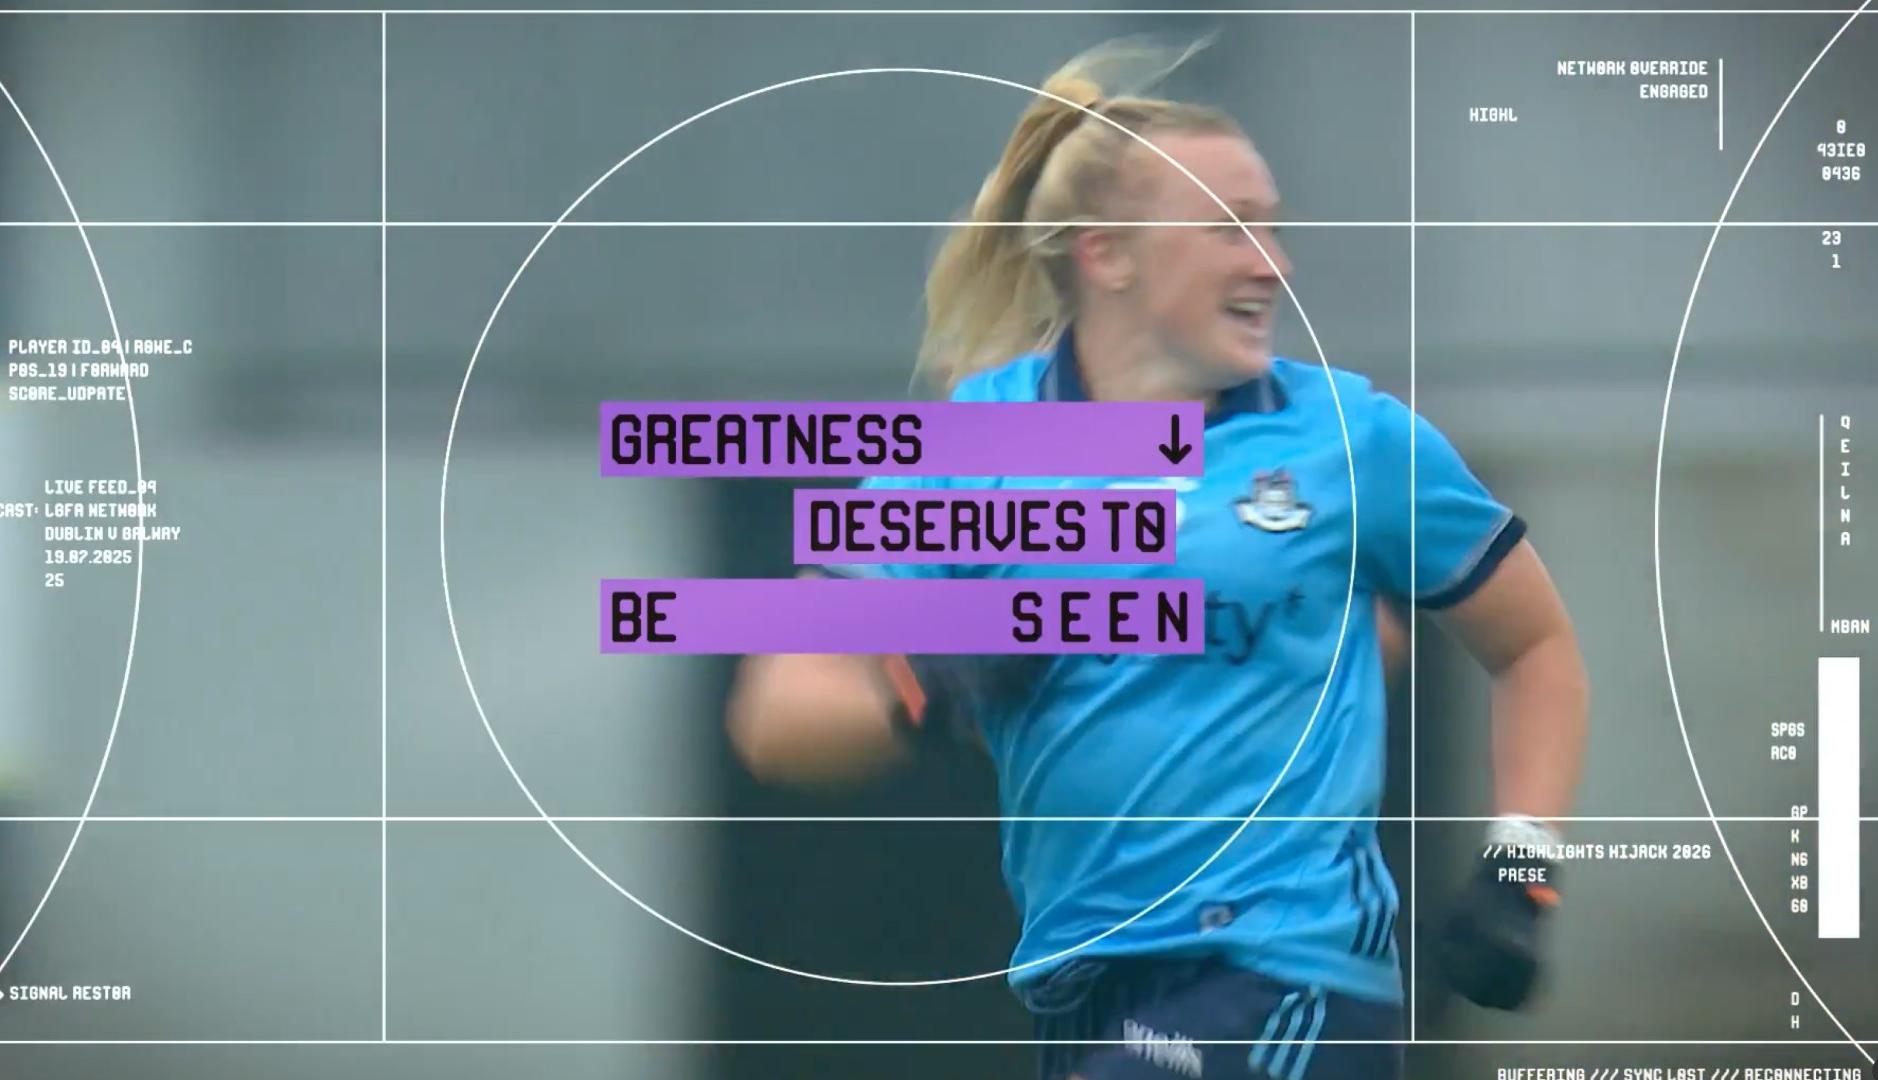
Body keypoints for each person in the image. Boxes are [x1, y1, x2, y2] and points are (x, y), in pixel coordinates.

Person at [726, 40, 1588, 1080]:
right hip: (1084, 992)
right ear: (1108, 254)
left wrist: (1522, 868)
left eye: (1272, 228)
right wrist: (938, 685)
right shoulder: (975, 447)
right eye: (1230, 229)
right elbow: (778, 714)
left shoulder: (1354, 440)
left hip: (1286, 978)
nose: (1272, 263)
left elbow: (1533, 646)